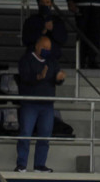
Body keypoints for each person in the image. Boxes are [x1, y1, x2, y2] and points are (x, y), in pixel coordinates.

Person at [16, 37, 65, 174]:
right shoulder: (26, 60)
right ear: (37, 46)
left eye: (49, 48)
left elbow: (57, 78)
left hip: (47, 104)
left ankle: (39, 165)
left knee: (45, 135)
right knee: (25, 134)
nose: (47, 51)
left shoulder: (52, 61)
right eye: (44, 48)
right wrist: (39, 77)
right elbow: (24, 78)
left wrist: (60, 78)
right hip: (30, 103)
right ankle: (21, 165)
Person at [67, 0, 100, 69]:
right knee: (82, 35)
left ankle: (92, 60)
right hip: (81, 3)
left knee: (95, 35)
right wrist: (69, 0)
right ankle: (81, 62)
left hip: (98, 4)